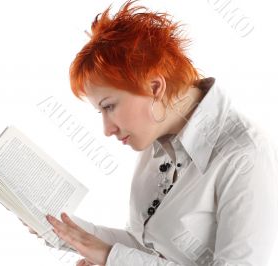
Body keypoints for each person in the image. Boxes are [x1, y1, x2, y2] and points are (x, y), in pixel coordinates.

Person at [21, 1, 278, 265]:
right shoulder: (158, 138)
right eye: (101, 112)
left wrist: (111, 257)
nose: (107, 129)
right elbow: (146, 247)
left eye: (109, 106)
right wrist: (63, 230)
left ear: (155, 87)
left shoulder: (247, 154)